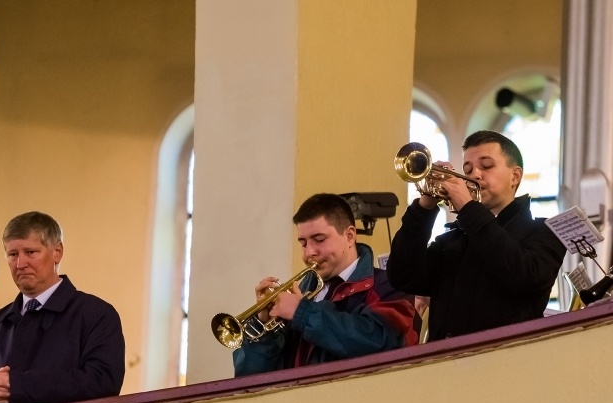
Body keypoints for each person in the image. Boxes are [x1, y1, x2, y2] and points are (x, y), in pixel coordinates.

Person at [387, 130, 566, 341]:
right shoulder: (454, 238)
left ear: (515, 176)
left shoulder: (545, 232)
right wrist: (424, 208)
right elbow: (403, 276)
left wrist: (468, 209)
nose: (475, 175)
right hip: (446, 357)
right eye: (468, 169)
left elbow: (523, 277)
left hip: (506, 356)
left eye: (486, 166)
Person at [0, 211, 125, 403]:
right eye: (13, 255)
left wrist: (17, 386)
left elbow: (102, 382)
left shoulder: (96, 315)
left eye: (30, 252)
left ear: (57, 252)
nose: (20, 264)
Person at [233, 193, 418, 376]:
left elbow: (382, 344)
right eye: (303, 243)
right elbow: (248, 377)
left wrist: (302, 313)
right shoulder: (301, 294)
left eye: (319, 240)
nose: (309, 252)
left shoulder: (389, 285)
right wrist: (264, 328)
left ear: (350, 236)